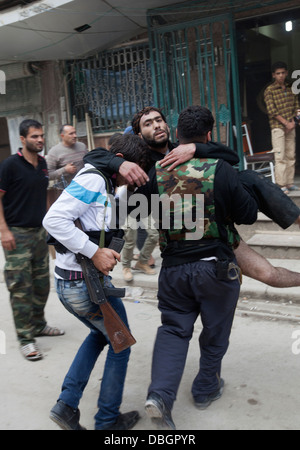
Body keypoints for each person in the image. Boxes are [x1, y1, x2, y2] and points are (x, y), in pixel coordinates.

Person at [42, 134, 152, 431]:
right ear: (120, 161)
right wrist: (94, 251)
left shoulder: (104, 184)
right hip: (84, 285)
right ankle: (106, 421)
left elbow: (103, 215)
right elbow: (53, 220)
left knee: (100, 335)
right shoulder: (93, 179)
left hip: (75, 284)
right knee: (121, 343)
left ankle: (66, 404)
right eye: (133, 169)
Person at [0, 119, 64, 362]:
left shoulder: (42, 165)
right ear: (23, 139)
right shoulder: (10, 166)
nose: (39, 140)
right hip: (16, 234)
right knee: (20, 287)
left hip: (39, 232)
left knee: (41, 284)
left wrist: (49, 222)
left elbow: (43, 194)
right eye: (34, 136)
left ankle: (38, 325)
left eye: (41, 136)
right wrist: (3, 230)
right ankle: (26, 339)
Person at [264, 61, 300, 193]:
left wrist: (294, 122)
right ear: (273, 75)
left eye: (283, 73)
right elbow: (272, 111)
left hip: (291, 125)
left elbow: (297, 106)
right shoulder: (269, 90)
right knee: (280, 155)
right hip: (277, 127)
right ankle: (281, 184)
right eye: (278, 73)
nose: (281, 76)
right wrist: (286, 123)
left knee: (291, 154)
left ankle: (290, 183)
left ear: (286, 73)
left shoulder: (291, 88)